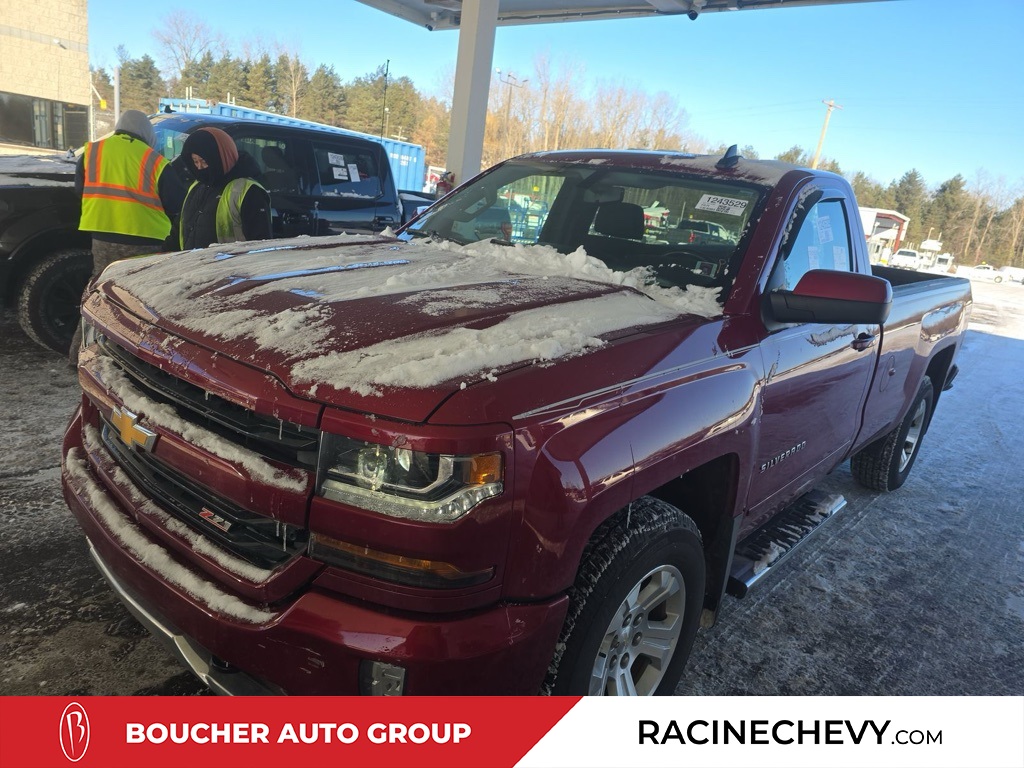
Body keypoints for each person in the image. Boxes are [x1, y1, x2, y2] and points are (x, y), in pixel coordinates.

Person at [71, 109, 185, 365]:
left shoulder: (92, 152)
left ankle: (80, 353)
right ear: (146, 132)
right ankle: (130, 359)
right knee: (139, 303)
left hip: (101, 235)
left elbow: (81, 189)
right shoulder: (154, 160)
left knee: (100, 293)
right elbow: (176, 203)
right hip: (145, 241)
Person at [176, 127, 272, 250]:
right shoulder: (197, 186)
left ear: (220, 157)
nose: (200, 167)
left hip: (230, 266)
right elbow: (180, 225)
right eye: (195, 161)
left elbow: (260, 243)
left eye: (204, 161)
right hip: (193, 265)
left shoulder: (248, 191)